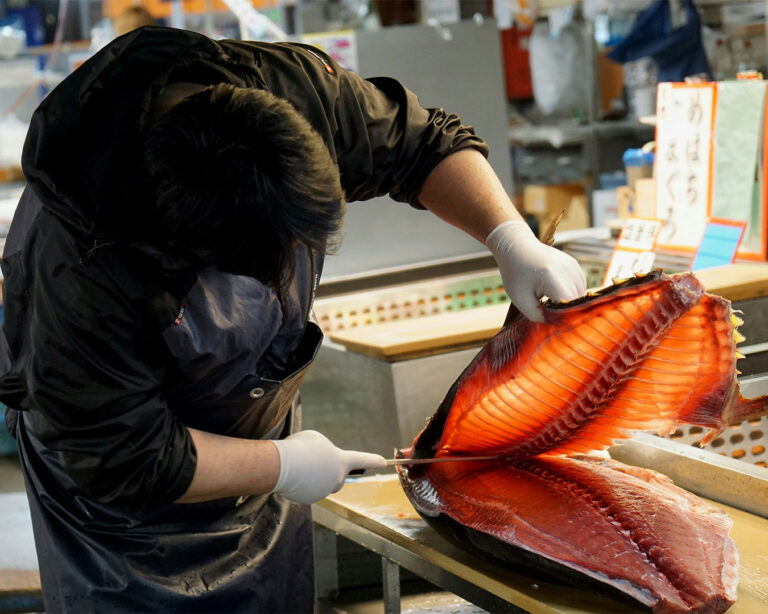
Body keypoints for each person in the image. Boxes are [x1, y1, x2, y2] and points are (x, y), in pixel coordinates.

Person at [0, 26, 586, 613]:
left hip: (251, 441)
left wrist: (510, 238)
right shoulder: (78, 269)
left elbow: (423, 145)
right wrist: (282, 465)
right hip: (122, 522)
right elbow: (126, 456)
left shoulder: (295, 94)